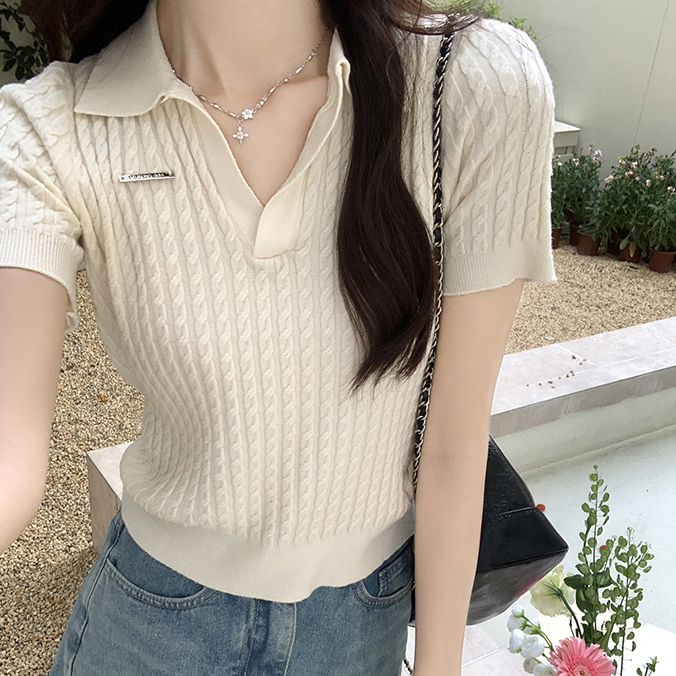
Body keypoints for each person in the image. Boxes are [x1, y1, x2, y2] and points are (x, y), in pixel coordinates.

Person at [0, 0, 558, 673]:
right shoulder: (50, 129)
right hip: (150, 622)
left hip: (359, 629)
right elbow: (9, 452)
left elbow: (454, 445)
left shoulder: (471, 84)